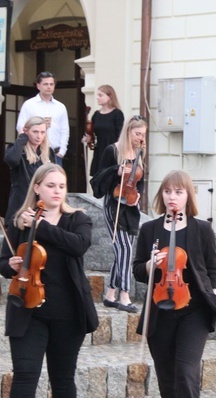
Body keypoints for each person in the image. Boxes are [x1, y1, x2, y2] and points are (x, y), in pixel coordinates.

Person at [0, 163, 98, 398]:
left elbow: (78, 246)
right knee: (25, 374)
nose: (56, 191)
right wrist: (11, 265)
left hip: (68, 313)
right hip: (27, 308)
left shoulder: (78, 219)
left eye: (61, 186)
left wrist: (42, 228)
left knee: (62, 377)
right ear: (37, 188)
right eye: (50, 185)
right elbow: (3, 262)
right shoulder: (20, 222)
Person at [132, 170, 216, 398]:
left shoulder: (201, 230)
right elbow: (137, 270)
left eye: (178, 192)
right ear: (161, 196)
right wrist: (151, 265)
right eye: (168, 192)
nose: (172, 197)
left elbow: (212, 269)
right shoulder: (150, 230)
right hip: (160, 308)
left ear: (188, 196)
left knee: (186, 372)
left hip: (194, 310)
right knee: (166, 376)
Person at [91, 115, 147, 312]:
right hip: (114, 203)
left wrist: (138, 195)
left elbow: (140, 182)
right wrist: (116, 170)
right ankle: (125, 294)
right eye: (137, 134)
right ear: (128, 131)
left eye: (142, 135)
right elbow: (98, 179)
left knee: (123, 250)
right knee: (125, 250)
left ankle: (110, 294)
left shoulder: (140, 153)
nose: (140, 138)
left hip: (131, 205)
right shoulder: (112, 150)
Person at [3, 116, 55, 225]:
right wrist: (22, 137)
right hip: (21, 203)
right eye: (35, 132)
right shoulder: (18, 150)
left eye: (42, 132)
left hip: (41, 204)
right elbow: (11, 160)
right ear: (26, 131)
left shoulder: (48, 153)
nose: (39, 136)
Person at [16, 72, 69, 166]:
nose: (49, 87)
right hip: (34, 152)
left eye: (51, 84)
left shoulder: (60, 107)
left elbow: (65, 130)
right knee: (35, 180)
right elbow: (21, 127)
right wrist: (28, 149)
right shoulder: (29, 104)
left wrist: (62, 151)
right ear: (38, 86)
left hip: (55, 153)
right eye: (45, 84)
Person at [85, 85, 125, 178]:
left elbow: (121, 135)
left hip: (113, 150)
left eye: (100, 95)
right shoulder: (96, 115)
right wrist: (88, 138)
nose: (97, 98)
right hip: (99, 151)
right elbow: (92, 133)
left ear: (109, 97)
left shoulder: (117, 114)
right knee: (98, 179)